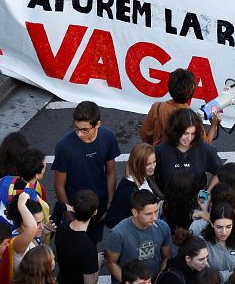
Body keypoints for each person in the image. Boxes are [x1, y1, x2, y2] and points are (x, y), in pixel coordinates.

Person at [52, 101, 119, 242]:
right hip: (75, 209)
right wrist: (69, 217)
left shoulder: (108, 137)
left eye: (84, 130)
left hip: (98, 206)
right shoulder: (64, 147)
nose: (79, 134)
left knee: (92, 243)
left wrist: (110, 204)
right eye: (76, 128)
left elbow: (111, 172)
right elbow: (59, 185)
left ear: (97, 124)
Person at [106, 189, 173, 282]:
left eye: (156, 211)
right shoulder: (118, 233)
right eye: (148, 214)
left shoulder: (163, 227)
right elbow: (111, 263)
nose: (154, 217)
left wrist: (159, 278)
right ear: (135, 212)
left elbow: (166, 257)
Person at [140, 68, 217, 145]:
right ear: (192, 92)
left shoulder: (157, 108)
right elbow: (205, 144)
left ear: (169, 87)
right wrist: (214, 125)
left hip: (158, 151)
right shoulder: (194, 118)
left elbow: (145, 135)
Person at [154, 108, 220, 191]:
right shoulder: (161, 150)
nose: (189, 138)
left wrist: (207, 193)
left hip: (196, 198)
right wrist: (159, 195)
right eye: (185, 133)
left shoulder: (205, 149)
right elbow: (149, 175)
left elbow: (220, 172)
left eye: (193, 133)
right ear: (175, 130)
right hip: (167, 198)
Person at [55, 189, 100, 284]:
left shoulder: (62, 227)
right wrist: (98, 262)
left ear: (74, 208)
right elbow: (90, 282)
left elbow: (61, 205)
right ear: (95, 212)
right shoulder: (89, 248)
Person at [201, 202, 235, 281]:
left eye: (228, 227)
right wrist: (229, 274)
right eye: (219, 227)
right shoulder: (203, 241)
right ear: (212, 224)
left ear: (233, 224)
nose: (224, 232)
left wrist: (219, 275)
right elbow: (204, 275)